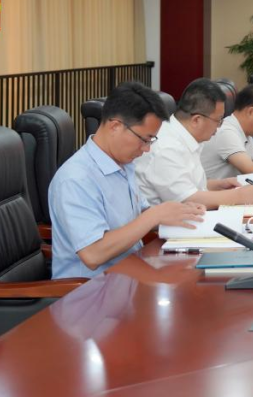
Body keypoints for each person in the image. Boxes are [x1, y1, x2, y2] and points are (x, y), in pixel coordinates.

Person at [49, 82, 206, 279]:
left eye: (151, 140)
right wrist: (154, 216)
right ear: (115, 126)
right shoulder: (76, 179)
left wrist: (176, 212)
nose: (147, 149)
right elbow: (93, 253)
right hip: (92, 288)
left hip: (131, 273)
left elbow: (139, 215)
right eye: (145, 139)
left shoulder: (124, 163)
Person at [135, 79, 253, 208]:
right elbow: (188, 199)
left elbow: (190, 186)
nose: (219, 127)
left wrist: (218, 185)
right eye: (218, 120)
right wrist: (239, 196)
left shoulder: (187, 137)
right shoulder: (166, 147)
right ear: (197, 120)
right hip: (167, 223)